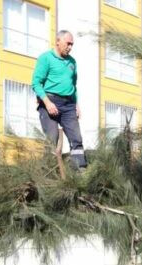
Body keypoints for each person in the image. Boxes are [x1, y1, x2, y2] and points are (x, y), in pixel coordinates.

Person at [32, 30, 86, 168]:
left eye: (72, 44)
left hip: (68, 105)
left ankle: (79, 171)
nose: (70, 47)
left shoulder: (72, 62)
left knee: (77, 139)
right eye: (68, 43)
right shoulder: (46, 58)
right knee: (52, 138)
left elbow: (73, 86)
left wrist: (76, 104)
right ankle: (50, 174)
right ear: (58, 41)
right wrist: (47, 102)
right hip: (50, 102)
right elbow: (36, 83)